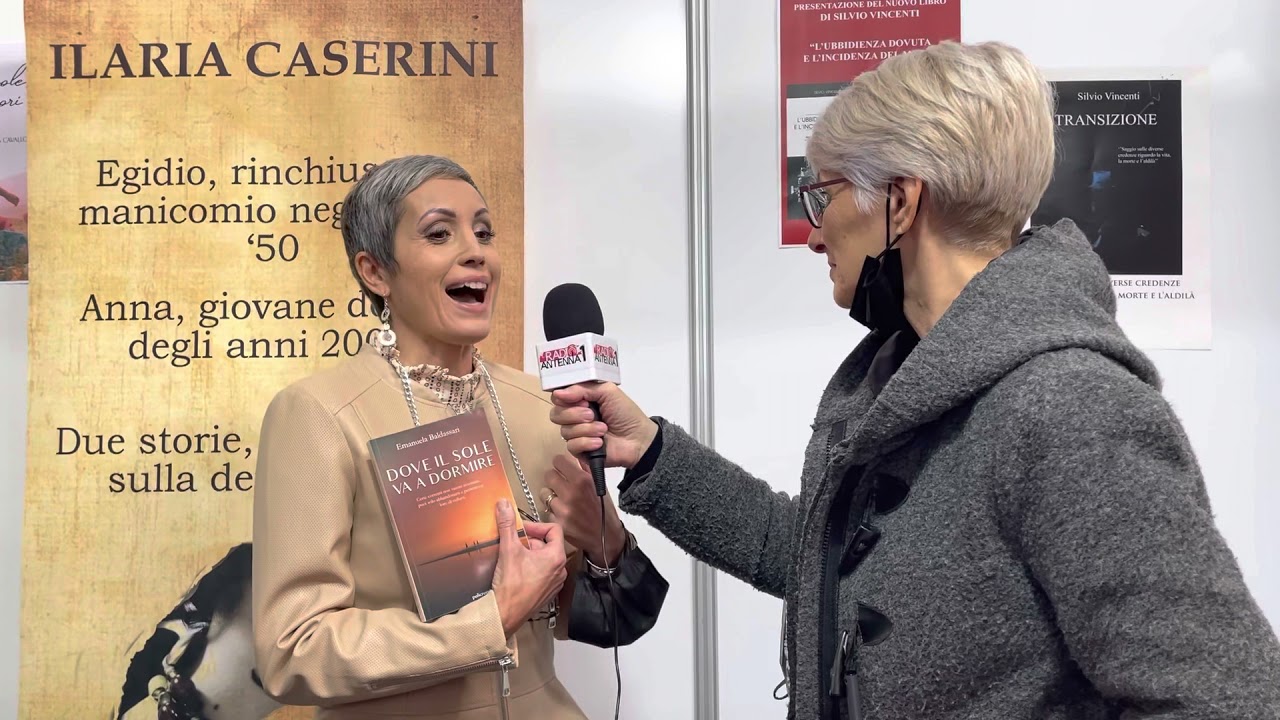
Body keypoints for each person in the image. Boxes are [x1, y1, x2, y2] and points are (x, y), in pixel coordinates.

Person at [550, 40, 1280, 720]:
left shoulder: (1071, 408)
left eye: (823, 195)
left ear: (901, 200)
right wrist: (649, 453)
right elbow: (813, 558)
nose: (812, 231)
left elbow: (1227, 697)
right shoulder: (900, 380)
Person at [252, 154, 668, 719]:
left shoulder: (545, 405)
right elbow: (293, 651)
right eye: (439, 233)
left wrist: (606, 544)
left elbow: (604, 618)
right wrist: (489, 621)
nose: (475, 250)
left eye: (484, 231)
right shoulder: (320, 415)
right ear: (376, 273)